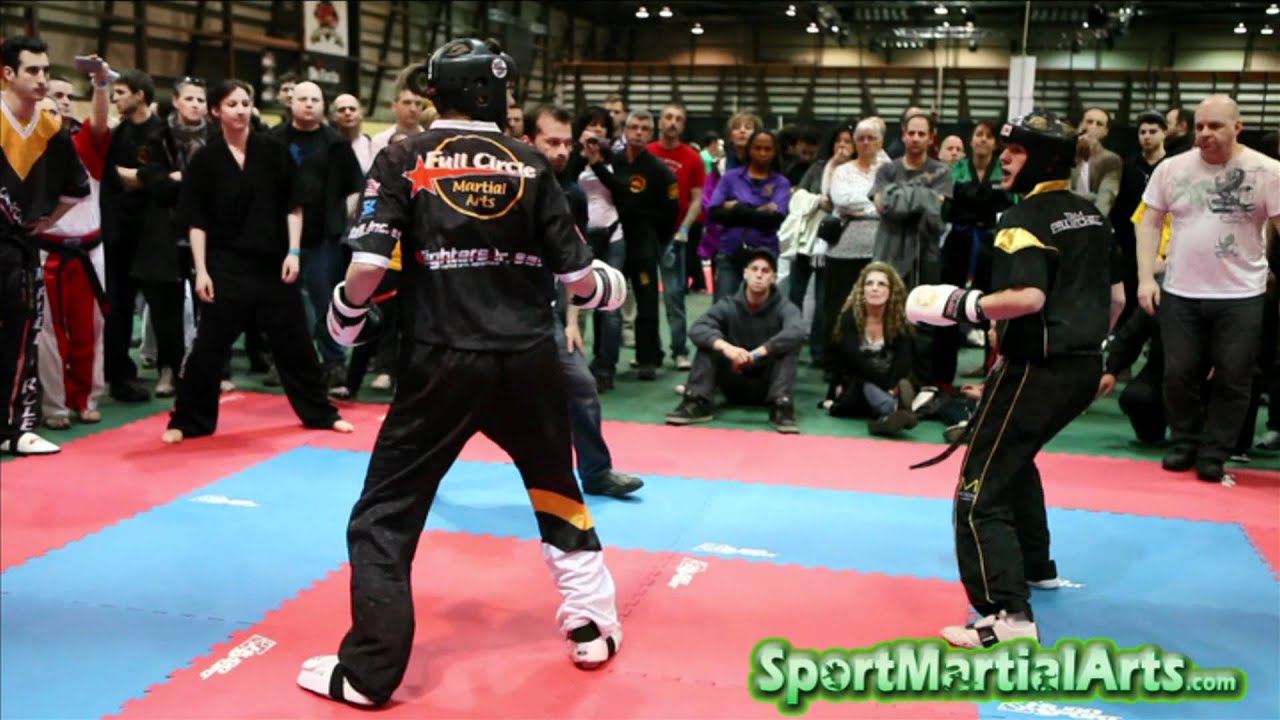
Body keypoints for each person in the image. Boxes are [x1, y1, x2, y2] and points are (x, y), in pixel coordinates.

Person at [296, 38, 629, 708]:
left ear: (437, 92)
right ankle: (593, 624)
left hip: (442, 359)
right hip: (529, 358)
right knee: (554, 484)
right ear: (494, 94)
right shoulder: (531, 163)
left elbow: (368, 266)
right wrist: (609, 288)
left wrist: (344, 317)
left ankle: (369, 671)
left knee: (384, 514)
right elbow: (578, 280)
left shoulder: (405, 156)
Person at [905, 109, 1124, 648]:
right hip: (1082, 366)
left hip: (1038, 369)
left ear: (1044, 159)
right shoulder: (1092, 215)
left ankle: (1007, 616)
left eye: (1017, 150)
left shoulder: (1022, 220)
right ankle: (1036, 565)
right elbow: (1117, 299)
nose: (1003, 157)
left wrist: (962, 305)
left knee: (978, 492)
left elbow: (1028, 297)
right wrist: (1086, 346)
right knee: (1014, 457)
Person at [160, 80, 352, 444]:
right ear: (216, 111)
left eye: (245, 103)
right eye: (231, 104)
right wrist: (201, 271)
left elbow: (294, 205)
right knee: (208, 347)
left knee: (296, 343)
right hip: (225, 265)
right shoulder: (206, 160)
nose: (240, 110)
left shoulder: (273, 150)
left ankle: (321, 413)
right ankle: (189, 419)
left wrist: (293, 251)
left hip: (273, 262)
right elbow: (196, 221)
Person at [1136, 95, 1280, 482]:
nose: (1205, 133)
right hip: (1181, 290)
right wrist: (1146, 278)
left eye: (1215, 126)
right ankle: (1184, 441)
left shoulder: (1268, 171)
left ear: (1238, 128)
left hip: (1241, 293)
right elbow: (1148, 222)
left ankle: (1216, 450)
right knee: (1178, 372)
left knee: (1234, 375)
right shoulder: (1171, 168)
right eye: (1199, 126)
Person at [1, 35, 91, 456]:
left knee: (22, 339)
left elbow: (76, 188)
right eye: (32, 70)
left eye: (46, 71)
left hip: (20, 250)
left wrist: (46, 222)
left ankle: (15, 429)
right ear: (8, 74)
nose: (41, 79)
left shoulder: (52, 129)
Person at [665, 249, 803, 433]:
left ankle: (782, 408)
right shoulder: (728, 305)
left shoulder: (785, 307)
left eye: (765, 271)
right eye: (754, 269)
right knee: (709, 343)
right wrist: (727, 348)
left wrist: (759, 352)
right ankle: (696, 401)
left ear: (773, 278)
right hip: (733, 380)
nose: (759, 275)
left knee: (788, 347)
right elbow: (698, 328)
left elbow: (796, 331)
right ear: (745, 273)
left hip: (768, 384)